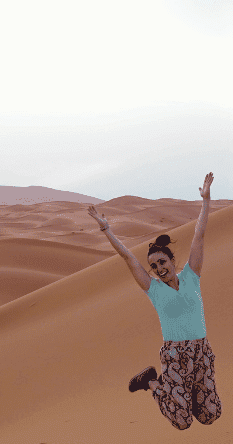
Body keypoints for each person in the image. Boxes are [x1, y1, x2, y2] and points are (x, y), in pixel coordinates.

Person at [86, 173, 222, 430]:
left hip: (202, 354)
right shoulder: (154, 290)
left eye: (162, 262)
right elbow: (128, 259)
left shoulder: (192, 276)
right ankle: (150, 382)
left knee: (210, 416)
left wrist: (206, 201)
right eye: (153, 266)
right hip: (175, 357)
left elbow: (199, 236)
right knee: (182, 422)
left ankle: (185, 395)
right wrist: (106, 229)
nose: (159, 268)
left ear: (171, 261)